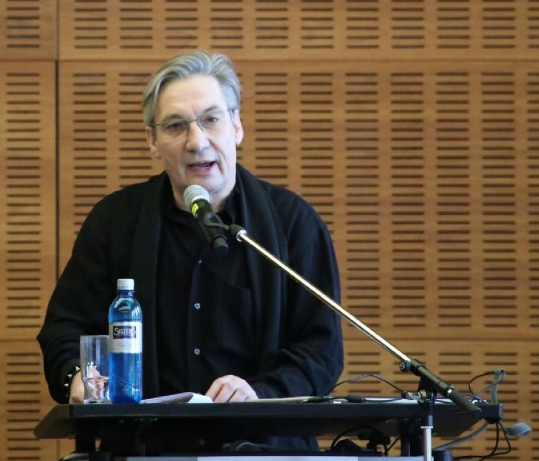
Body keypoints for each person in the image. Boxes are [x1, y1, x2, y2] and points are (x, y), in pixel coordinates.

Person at [37, 50, 343, 452]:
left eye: (212, 119)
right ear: (152, 139)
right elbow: (65, 328)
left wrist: (260, 391)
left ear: (236, 126)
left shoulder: (292, 222)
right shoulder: (114, 222)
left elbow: (320, 347)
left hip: (266, 448)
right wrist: (78, 375)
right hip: (143, 449)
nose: (197, 142)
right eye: (176, 126)